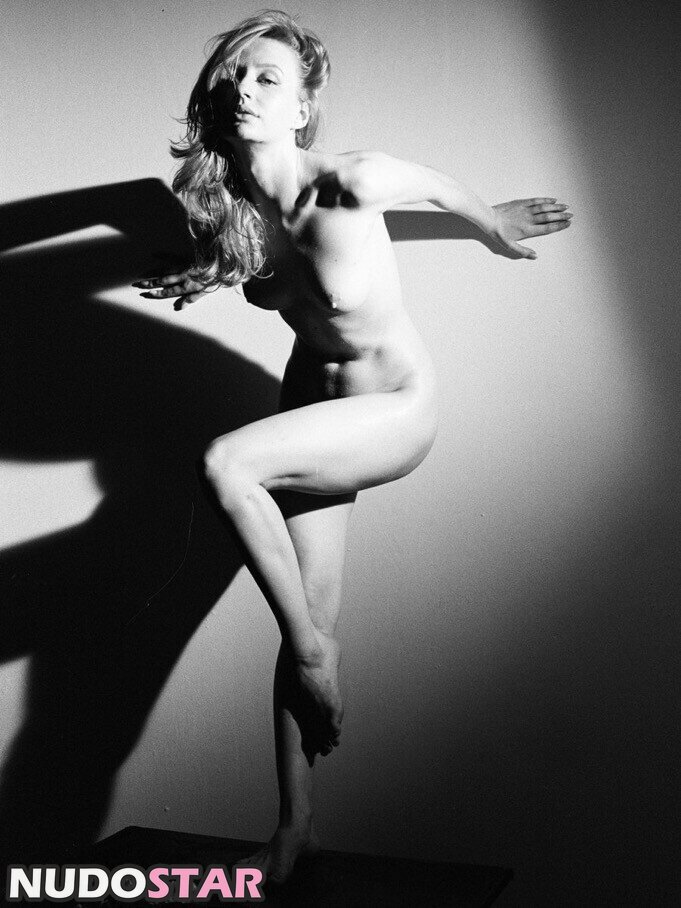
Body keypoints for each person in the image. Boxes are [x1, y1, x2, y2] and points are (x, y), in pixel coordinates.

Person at [134, 9, 572, 883]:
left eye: (267, 78)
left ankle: (310, 655)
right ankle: (295, 828)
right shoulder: (231, 215)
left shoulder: (353, 178)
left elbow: (436, 187)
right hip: (312, 406)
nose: (244, 90)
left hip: (394, 407)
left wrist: (490, 224)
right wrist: (202, 269)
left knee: (227, 465)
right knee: (308, 607)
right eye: (233, 76)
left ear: (302, 108)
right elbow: (271, 272)